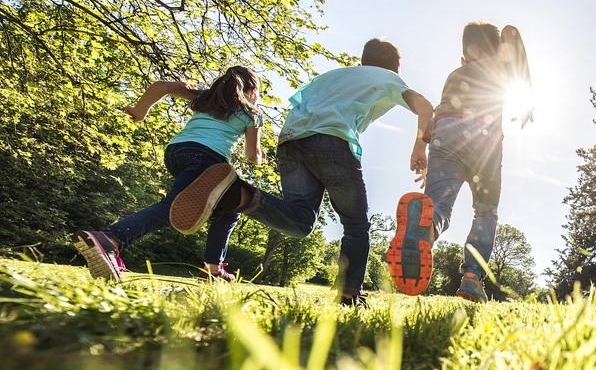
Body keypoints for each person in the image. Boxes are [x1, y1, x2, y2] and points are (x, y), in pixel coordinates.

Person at [167, 38, 434, 307]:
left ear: (363, 59)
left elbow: (300, 103)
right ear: (395, 67)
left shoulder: (333, 75)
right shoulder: (388, 77)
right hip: (332, 140)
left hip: (291, 139)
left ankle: (238, 195)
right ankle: (349, 296)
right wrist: (420, 148)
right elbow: (425, 107)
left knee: (300, 222)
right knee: (356, 225)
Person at [73, 66, 264, 283]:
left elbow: (162, 86)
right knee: (173, 208)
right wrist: (260, 158)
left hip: (177, 152)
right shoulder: (251, 113)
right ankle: (110, 238)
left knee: (230, 207)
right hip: (208, 161)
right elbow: (251, 154)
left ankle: (213, 269)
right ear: (252, 90)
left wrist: (140, 111)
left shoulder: (206, 95)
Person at [387, 21, 533, 303]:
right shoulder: (498, 63)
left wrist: (421, 149)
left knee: (438, 206)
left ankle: (423, 231)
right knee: (485, 211)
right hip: (484, 141)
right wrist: (526, 91)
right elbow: (512, 32)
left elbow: (435, 120)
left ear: (463, 58)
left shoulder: (455, 74)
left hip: (444, 137)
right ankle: (472, 277)